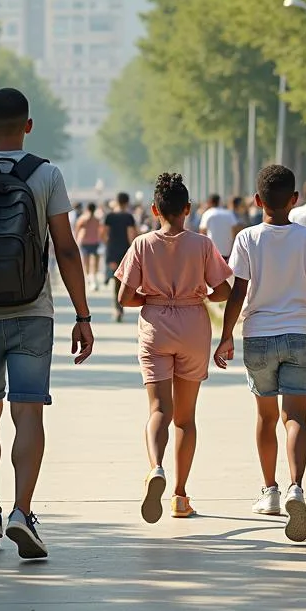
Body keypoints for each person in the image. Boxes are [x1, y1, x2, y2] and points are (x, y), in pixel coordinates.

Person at [0, 87, 93, 560]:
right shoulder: (47, 173)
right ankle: (22, 512)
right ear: (29, 126)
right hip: (33, 313)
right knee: (28, 411)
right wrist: (83, 315)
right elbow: (66, 249)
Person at [215, 164, 306, 543]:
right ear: (294, 200)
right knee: (295, 416)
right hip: (300, 333)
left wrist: (225, 336)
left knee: (266, 417)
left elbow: (237, 292)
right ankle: (296, 487)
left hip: (259, 336)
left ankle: (269, 491)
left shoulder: (248, 238)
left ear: (256, 200)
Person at [116, 173, 232, 522]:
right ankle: (180, 496)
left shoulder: (141, 244)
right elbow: (223, 290)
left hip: (155, 327)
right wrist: (198, 295)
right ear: (188, 209)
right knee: (185, 418)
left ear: (155, 210)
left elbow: (125, 297)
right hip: (193, 324)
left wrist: (151, 298)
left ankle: (156, 467)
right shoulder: (201, 244)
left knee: (158, 411)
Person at [103, 192, 137, 322]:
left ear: (116, 201)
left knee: (116, 281)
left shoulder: (109, 216)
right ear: (127, 202)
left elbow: (104, 234)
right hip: (125, 252)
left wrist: (110, 245)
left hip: (113, 251)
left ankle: (117, 308)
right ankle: (120, 308)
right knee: (124, 280)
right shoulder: (129, 217)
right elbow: (131, 236)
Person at [198, 194, 238, 260]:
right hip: (227, 253)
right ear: (219, 202)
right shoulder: (229, 213)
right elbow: (235, 231)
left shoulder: (207, 213)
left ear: (209, 202)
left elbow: (202, 234)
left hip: (211, 253)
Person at [74, 202, 103, 291]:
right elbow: (100, 230)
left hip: (85, 242)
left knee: (86, 262)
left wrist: (76, 239)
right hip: (95, 241)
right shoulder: (97, 219)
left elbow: (77, 229)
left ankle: (89, 280)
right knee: (94, 262)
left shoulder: (82, 218)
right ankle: (93, 278)